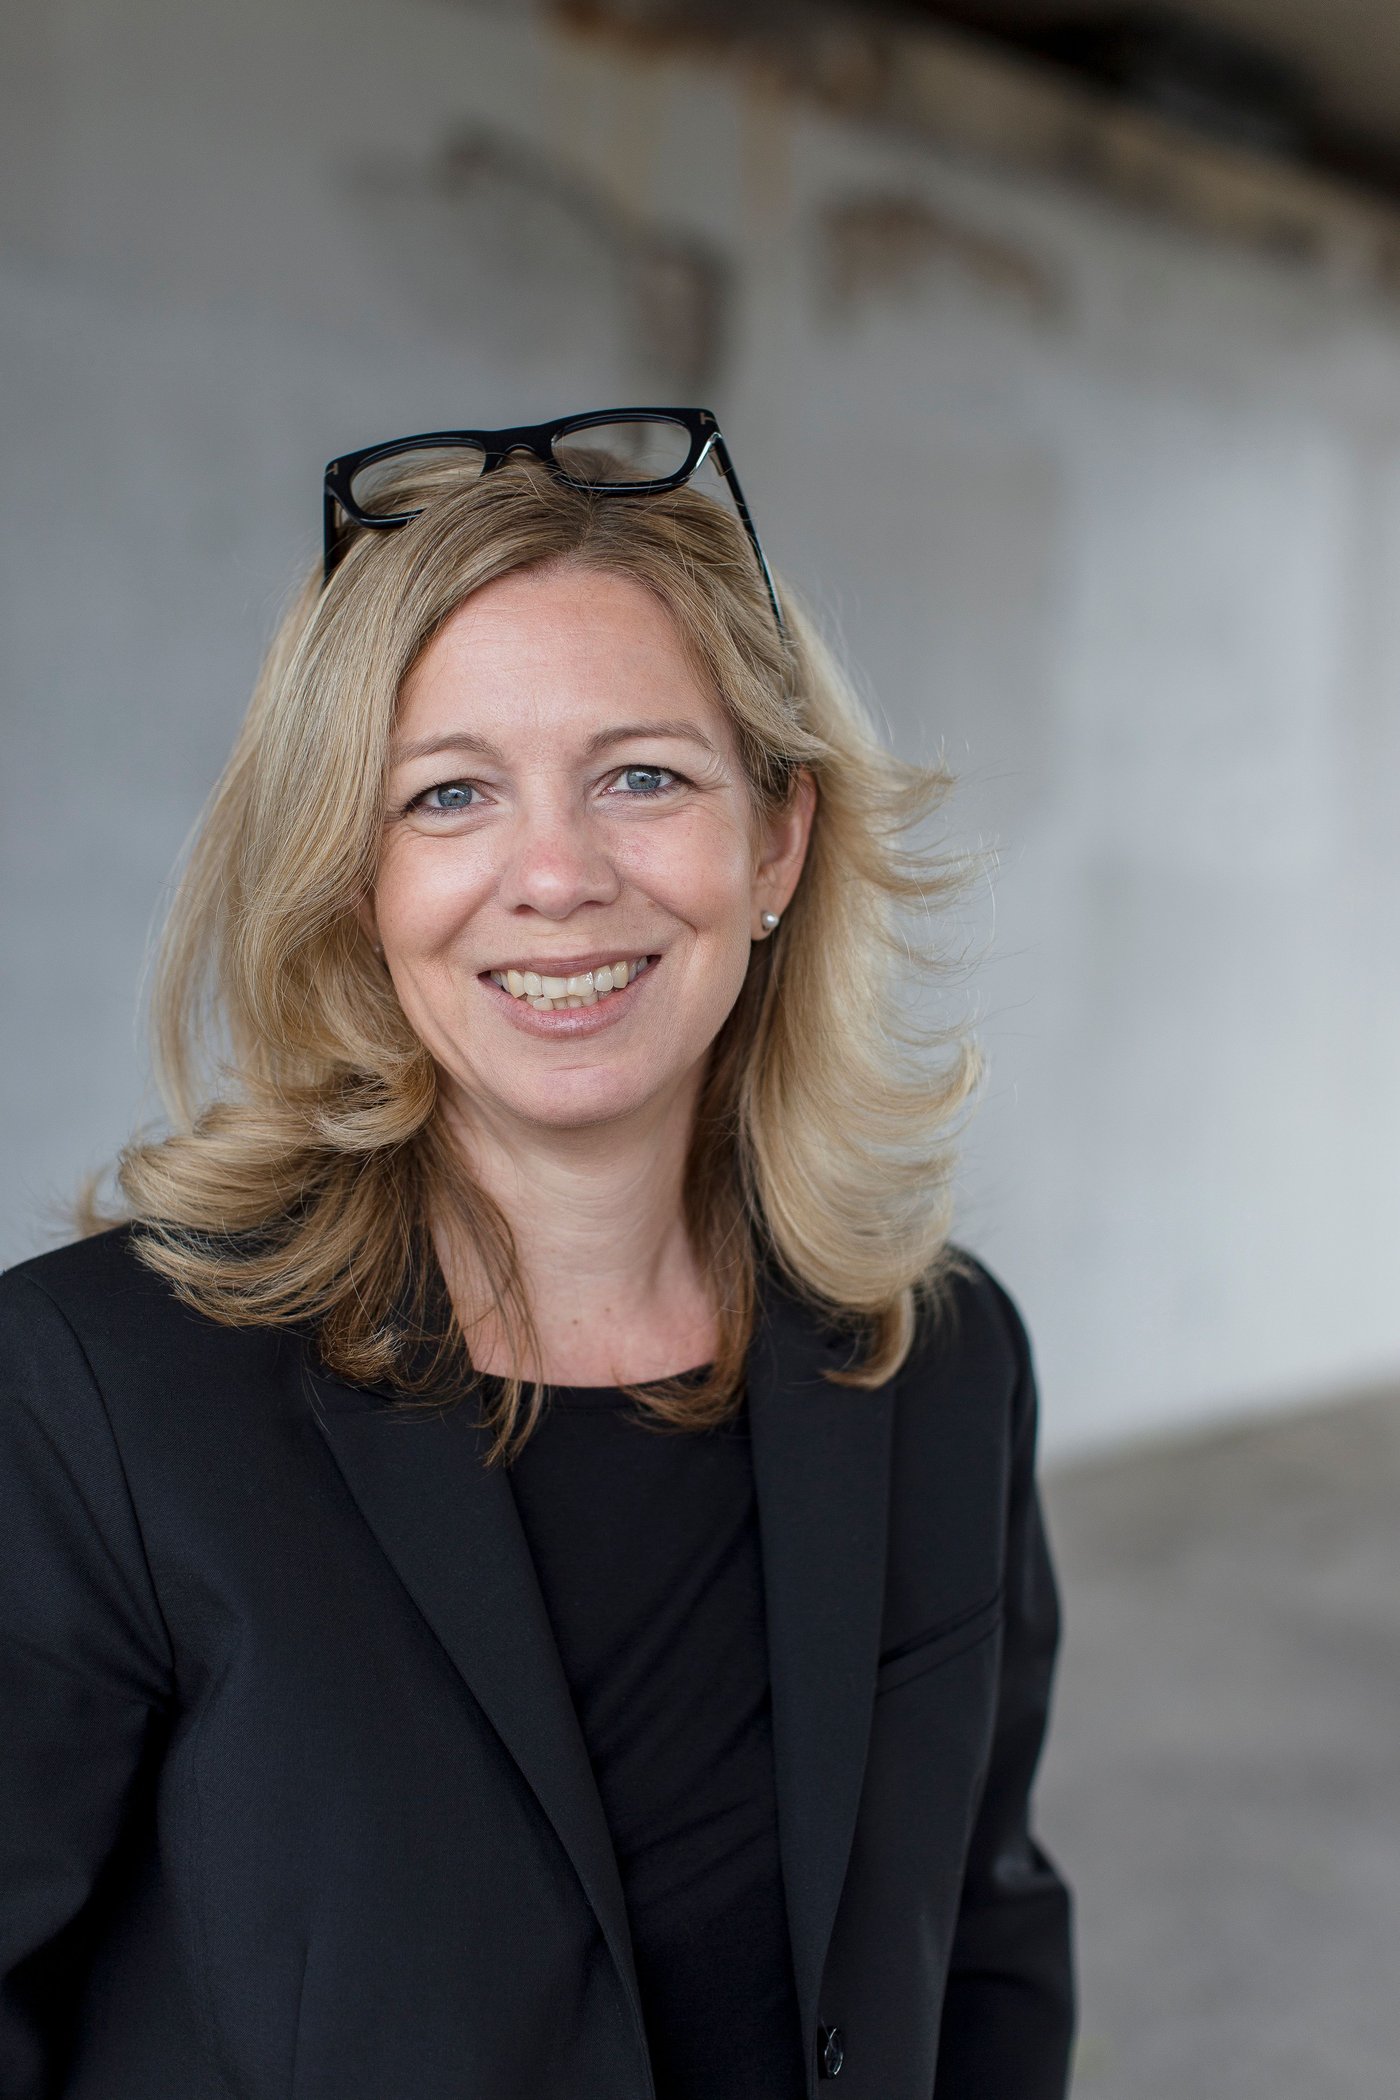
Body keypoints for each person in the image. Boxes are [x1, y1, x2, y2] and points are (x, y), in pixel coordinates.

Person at [0, 409, 1074, 2099]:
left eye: (643, 775)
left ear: (776, 840)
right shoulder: (92, 1396)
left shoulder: (939, 1356)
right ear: (355, 880)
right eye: (449, 796)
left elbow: (989, 1939)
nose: (559, 876)